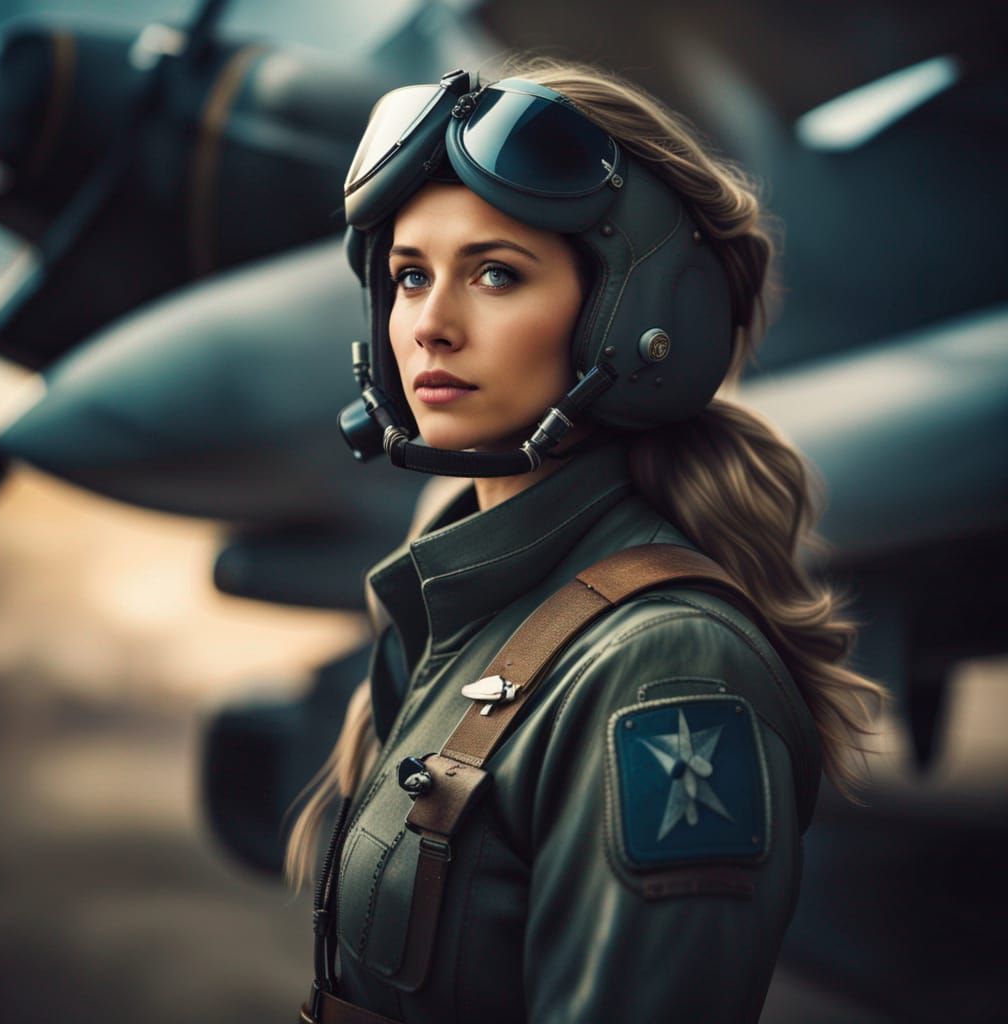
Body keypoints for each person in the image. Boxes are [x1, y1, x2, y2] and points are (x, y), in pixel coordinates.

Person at [286, 57, 884, 1024]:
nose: (430, 325)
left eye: (495, 273)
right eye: (408, 276)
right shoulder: (465, 598)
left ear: (638, 320)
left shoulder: (665, 672)